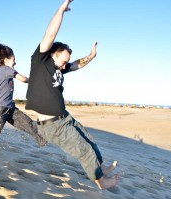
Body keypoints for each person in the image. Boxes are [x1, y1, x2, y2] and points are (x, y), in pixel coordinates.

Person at [25, 0, 119, 189]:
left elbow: (76, 65)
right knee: (84, 151)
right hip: (52, 125)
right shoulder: (41, 60)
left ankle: (101, 169)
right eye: (63, 60)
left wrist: (90, 57)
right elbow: (51, 33)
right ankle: (101, 182)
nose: (64, 65)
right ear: (54, 53)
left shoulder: (60, 68)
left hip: (65, 118)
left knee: (90, 142)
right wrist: (61, 9)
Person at [0, 39, 46, 147]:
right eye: (13, 59)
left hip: (10, 107)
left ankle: (41, 139)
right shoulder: (6, 69)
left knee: (28, 124)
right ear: (6, 60)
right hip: (0, 108)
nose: (15, 62)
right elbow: (23, 79)